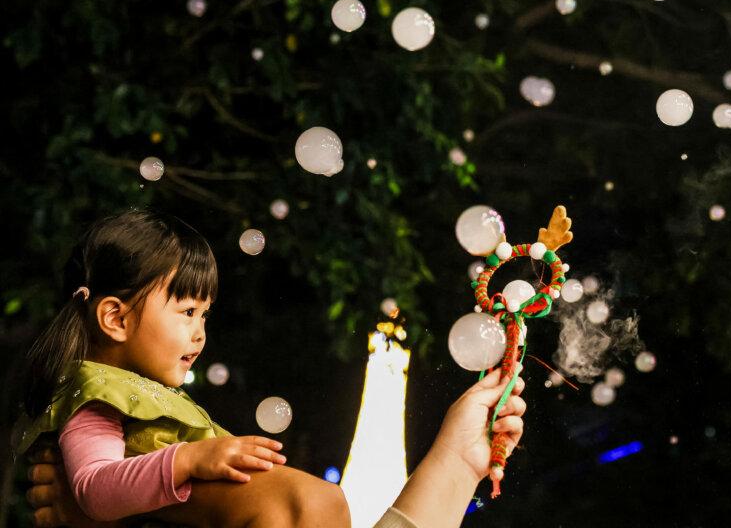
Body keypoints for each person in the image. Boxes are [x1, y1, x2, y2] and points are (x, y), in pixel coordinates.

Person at [16, 210, 526, 527]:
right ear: (114, 317)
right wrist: (189, 462)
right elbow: (94, 489)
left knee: (322, 503)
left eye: (204, 315)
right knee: (319, 504)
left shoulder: (141, 401)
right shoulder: (95, 396)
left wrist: (459, 461)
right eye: (186, 311)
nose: (199, 332)